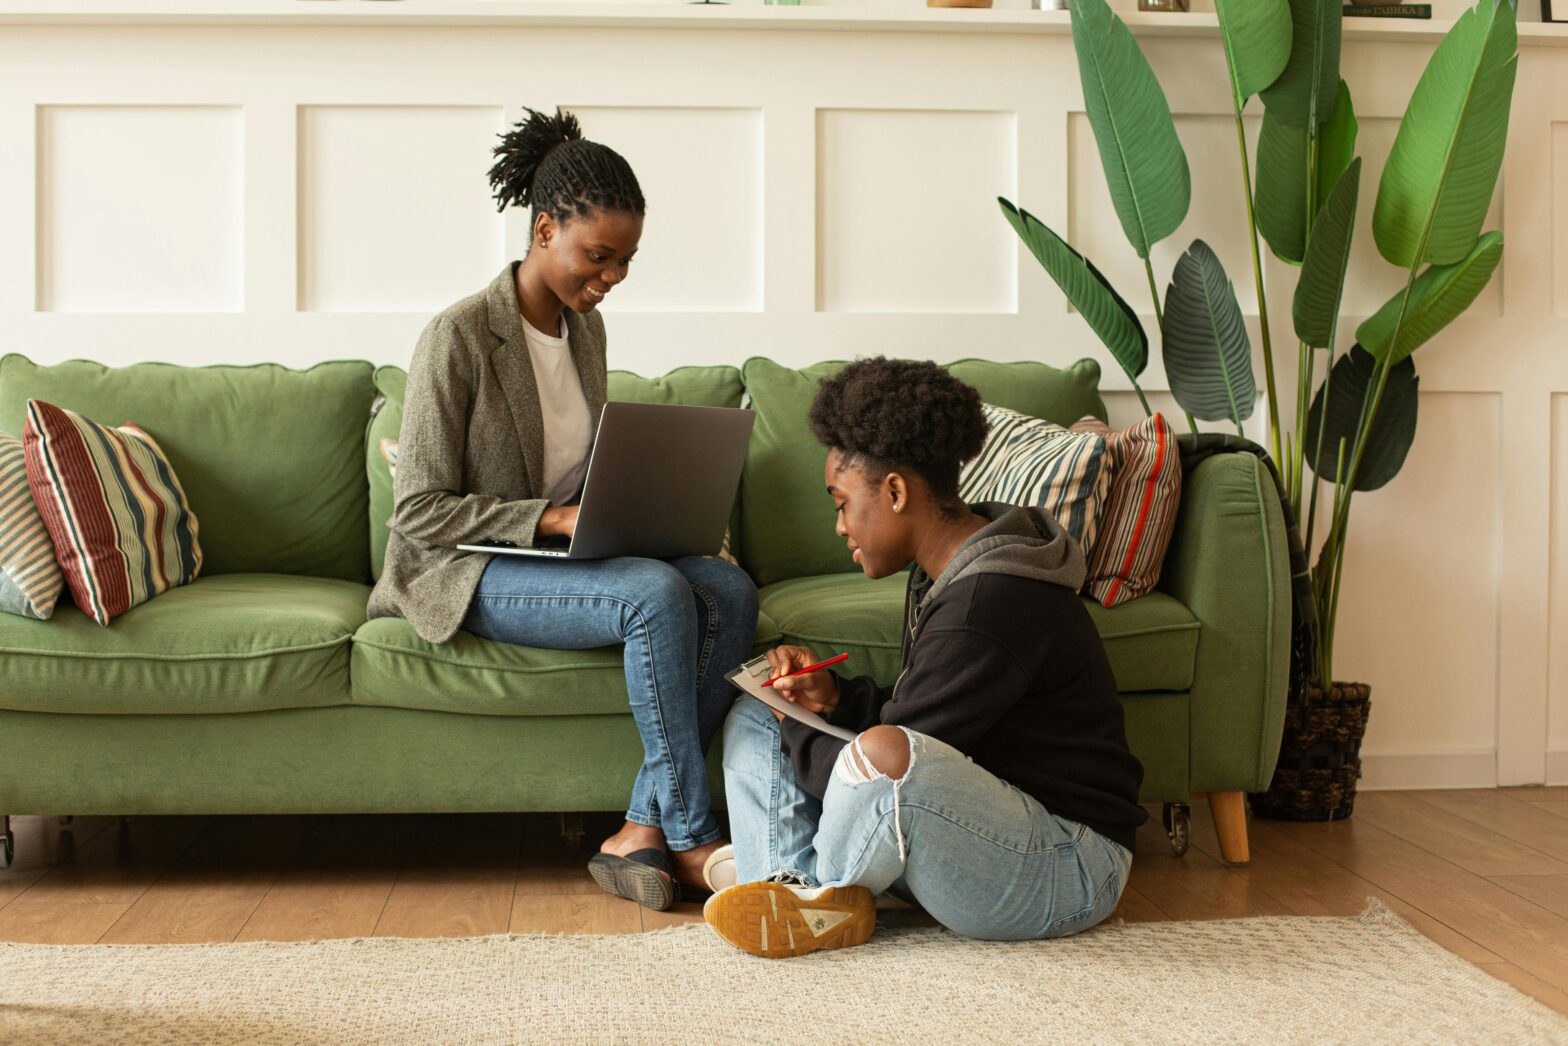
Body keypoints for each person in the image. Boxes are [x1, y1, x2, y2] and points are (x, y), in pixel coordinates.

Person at [367, 107, 757, 912]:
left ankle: (636, 830)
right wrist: (548, 522)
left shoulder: (588, 332)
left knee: (729, 590)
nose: (611, 276)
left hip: (557, 555)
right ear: (545, 229)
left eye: (625, 260)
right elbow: (418, 511)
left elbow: (577, 472)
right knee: (652, 596)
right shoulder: (460, 336)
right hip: (466, 568)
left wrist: (631, 508)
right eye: (599, 256)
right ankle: (688, 833)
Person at [701, 357, 1147, 957]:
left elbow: (897, 763)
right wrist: (830, 700)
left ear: (895, 492)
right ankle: (799, 892)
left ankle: (797, 881)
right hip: (971, 826)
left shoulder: (991, 601)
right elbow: (931, 721)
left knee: (880, 753)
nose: (839, 525)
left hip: (1066, 866)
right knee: (756, 711)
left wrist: (802, 730)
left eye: (841, 502)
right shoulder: (951, 565)